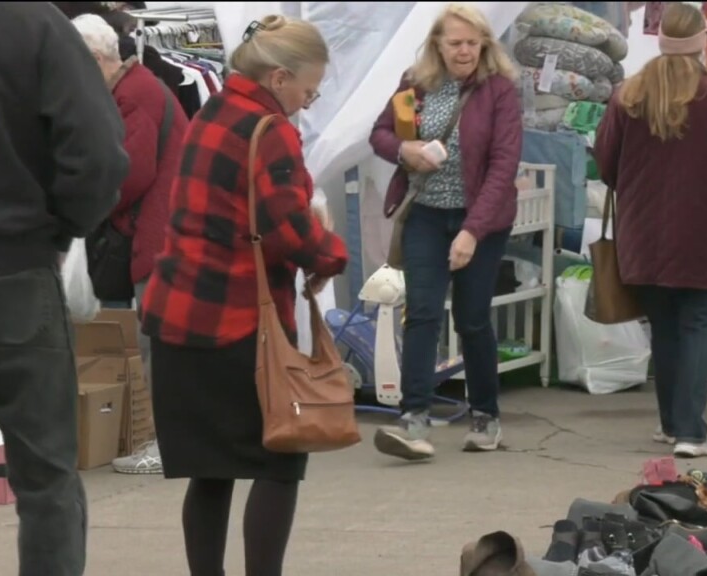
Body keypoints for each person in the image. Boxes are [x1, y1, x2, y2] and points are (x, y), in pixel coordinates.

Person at [138, 15, 347, 576]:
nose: (309, 100)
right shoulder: (268, 127)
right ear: (279, 78)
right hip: (235, 322)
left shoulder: (211, 111)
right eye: (309, 89)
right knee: (279, 463)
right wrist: (331, 257)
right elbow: (287, 227)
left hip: (177, 314)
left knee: (211, 471)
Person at [592, 2, 707, 458]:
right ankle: (692, 433)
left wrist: (637, 187)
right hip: (706, 232)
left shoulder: (628, 96)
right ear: (702, 40)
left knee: (664, 327)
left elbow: (606, 164)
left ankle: (670, 424)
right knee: (696, 323)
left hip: (644, 233)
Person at [0, 3, 130, 575]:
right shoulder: (32, 23)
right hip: (14, 266)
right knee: (46, 477)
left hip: (17, 257)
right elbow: (96, 154)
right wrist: (64, 228)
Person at [368, 2, 523, 462]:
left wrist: (473, 231)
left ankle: (485, 416)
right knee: (422, 312)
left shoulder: (499, 91)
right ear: (437, 44)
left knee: (473, 318)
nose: (464, 51)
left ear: (485, 45)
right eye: (455, 42)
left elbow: (503, 165)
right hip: (426, 215)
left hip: (482, 220)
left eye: (473, 43)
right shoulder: (415, 83)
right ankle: (414, 418)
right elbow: (378, 133)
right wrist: (404, 151)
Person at [71, 13, 189, 475]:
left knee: (154, 341)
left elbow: (131, 172)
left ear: (97, 60)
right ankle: (168, 441)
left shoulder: (134, 94)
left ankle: (166, 445)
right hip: (160, 233)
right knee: (156, 340)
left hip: (158, 237)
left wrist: (90, 206)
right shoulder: (139, 88)